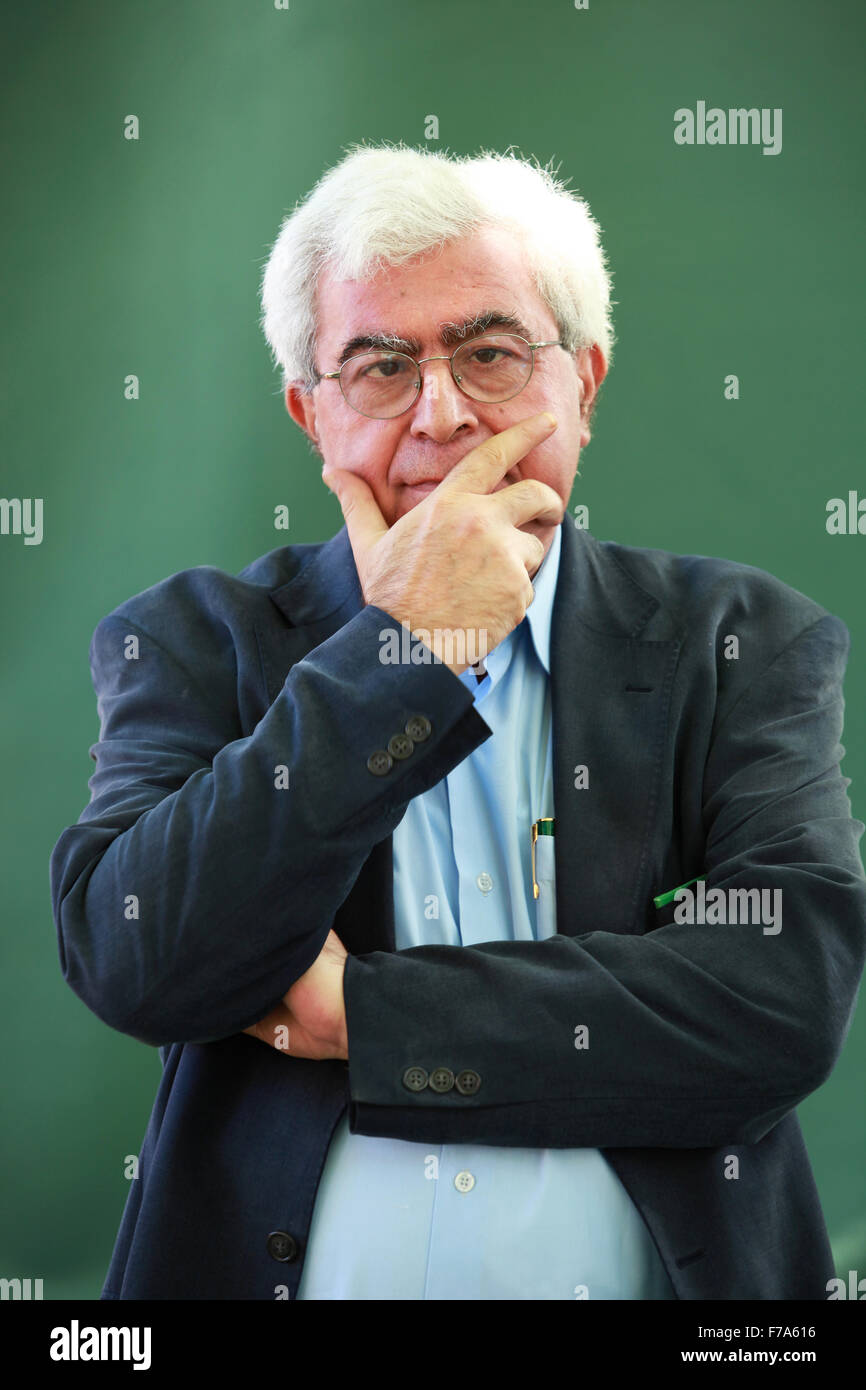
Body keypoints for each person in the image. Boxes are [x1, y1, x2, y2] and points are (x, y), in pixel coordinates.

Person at [50, 142, 866, 1300]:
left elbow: (775, 998)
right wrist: (404, 654)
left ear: (581, 383)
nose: (440, 416)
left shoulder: (739, 643)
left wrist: (364, 1019)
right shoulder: (189, 641)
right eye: (379, 367)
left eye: (489, 355)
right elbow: (138, 957)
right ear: (310, 415)